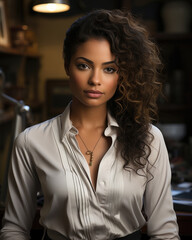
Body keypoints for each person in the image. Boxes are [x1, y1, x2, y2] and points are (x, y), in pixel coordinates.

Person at [0, 9, 180, 240]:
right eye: (84, 65)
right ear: (67, 66)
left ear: (122, 74)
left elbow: (164, 232)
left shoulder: (149, 139)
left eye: (109, 69)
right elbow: (14, 229)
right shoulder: (31, 142)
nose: (95, 79)